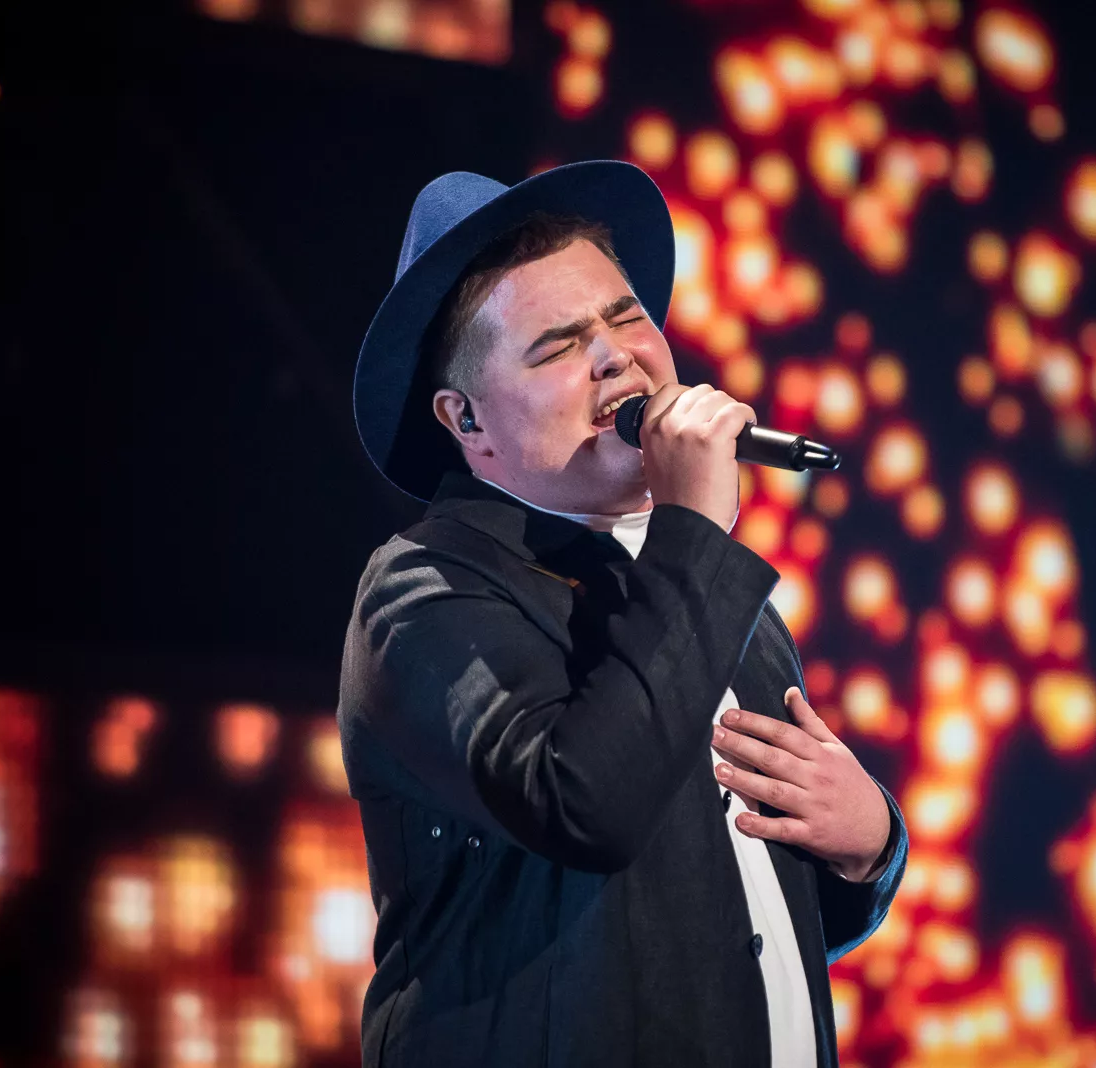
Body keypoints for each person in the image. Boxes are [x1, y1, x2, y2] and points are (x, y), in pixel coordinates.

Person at [338, 160, 908, 1068]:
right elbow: (587, 808)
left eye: (626, 315)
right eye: (557, 347)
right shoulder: (425, 590)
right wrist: (696, 532)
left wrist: (870, 845)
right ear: (467, 420)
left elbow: (737, 921)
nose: (617, 356)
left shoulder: (717, 600)